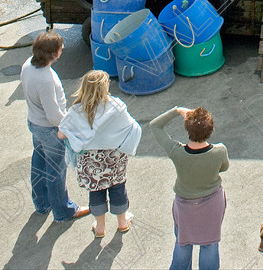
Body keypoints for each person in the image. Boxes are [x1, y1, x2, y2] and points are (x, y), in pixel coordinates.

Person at [58, 70, 141, 238]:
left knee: (96, 192)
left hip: (90, 161)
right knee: (118, 188)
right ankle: (123, 222)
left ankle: (100, 228)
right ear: (105, 86)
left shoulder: (76, 110)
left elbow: (61, 133)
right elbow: (132, 127)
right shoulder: (116, 106)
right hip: (114, 158)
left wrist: (79, 137)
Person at [20, 31, 89, 222]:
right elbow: (53, 116)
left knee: (39, 163)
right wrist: (70, 126)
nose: (63, 49)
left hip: (34, 123)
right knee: (56, 171)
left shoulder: (28, 65)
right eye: (60, 48)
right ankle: (63, 210)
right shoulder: (45, 79)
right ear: (53, 54)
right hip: (50, 130)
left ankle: (41, 204)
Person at [151, 106, 229, 270]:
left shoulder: (176, 151)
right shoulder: (220, 151)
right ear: (211, 130)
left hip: (185, 205)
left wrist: (177, 110)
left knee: (183, 242)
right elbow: (224, 168)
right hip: (212, 204)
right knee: (209, 243)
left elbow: (155, 126)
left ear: (187, 129)